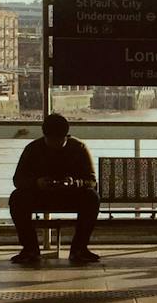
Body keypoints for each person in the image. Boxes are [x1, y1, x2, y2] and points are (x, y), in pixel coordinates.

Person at [9, 112, 100, 265]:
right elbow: (18, 180)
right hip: (41, 195)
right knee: (17, 198)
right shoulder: (32, 149)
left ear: (66, 136)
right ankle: (30, 248)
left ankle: (79, 248)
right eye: (52, 140)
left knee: (92, 197)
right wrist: (37, 183)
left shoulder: (78, 148)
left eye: (59, 140)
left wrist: (75, 183)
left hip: (70, 195)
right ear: (45, 136)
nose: (55, 144)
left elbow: (91, 181)